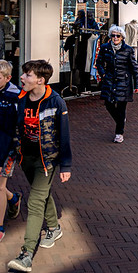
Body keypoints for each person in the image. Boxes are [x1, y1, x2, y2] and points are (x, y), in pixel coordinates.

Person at [8, 60, 71, 272]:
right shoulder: (21, 99)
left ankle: (26, 254)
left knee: (35, 201)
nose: (23, 78)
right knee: (42, 195)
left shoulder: (56, 102)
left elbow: (64, 136)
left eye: (27, 75)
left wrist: (66, 165)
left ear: (40, 80)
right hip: (27, 159)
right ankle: (54, 227)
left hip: (47, 160)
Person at [95, 25, 138, 143]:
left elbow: (134, 67)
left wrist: (137, 84)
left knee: (121, 107)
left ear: (122, 37)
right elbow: (99, 62)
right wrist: (103, 74)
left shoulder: (128, 49)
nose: (115, 38)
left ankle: (119, 133)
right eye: (113, 35)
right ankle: (121, 120)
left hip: (123, 82)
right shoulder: (105, 48)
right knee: (108, 104)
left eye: (118, 36)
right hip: (109, 80)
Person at [0, 61, 21, 241]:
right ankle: (13, 198)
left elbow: (11, 129)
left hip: (7, 147)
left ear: (7, 78)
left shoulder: (15, 97)